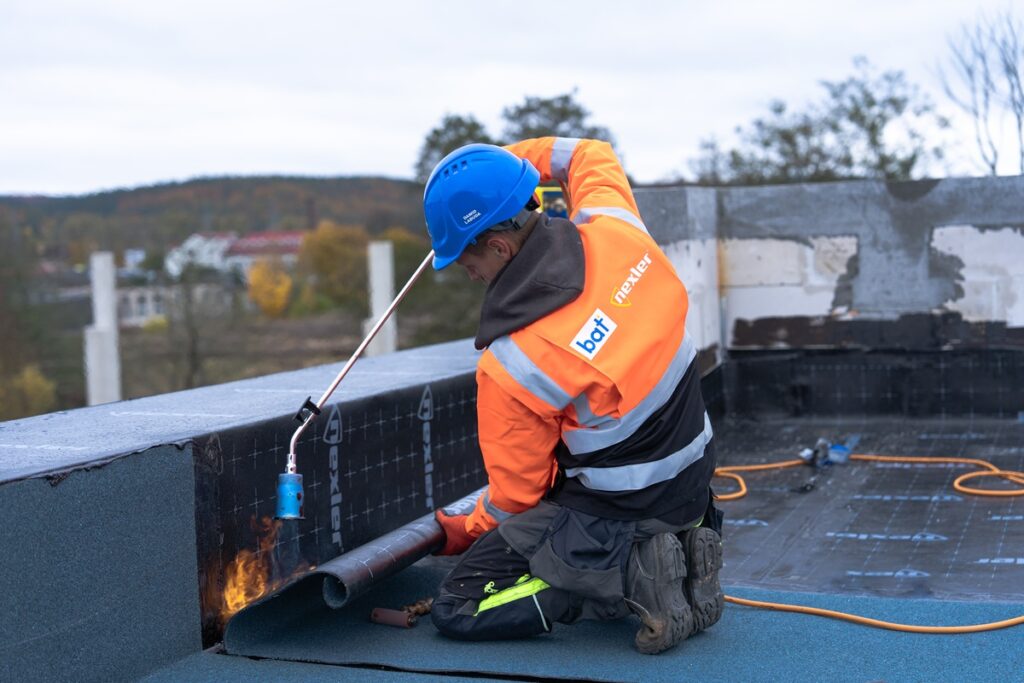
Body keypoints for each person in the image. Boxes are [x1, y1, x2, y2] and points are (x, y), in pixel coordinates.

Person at [422, 138, 722, 654]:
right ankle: (682, 542)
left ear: (499, 247)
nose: (466, 273)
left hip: (626, 510)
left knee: (462, 604)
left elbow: (516, 496)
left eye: (465, 259)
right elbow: (584, 153)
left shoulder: (516, 362)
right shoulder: (615, 227)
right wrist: (504, 163)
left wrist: (464, 530)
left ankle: (632, 572)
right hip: (694, 482)